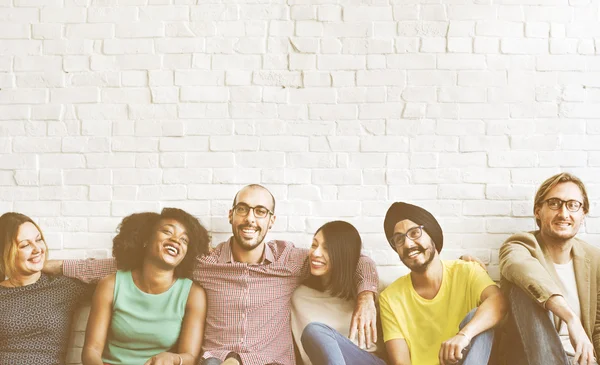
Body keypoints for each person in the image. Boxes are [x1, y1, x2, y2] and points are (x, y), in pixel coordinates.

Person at [45, 184, 379, 365]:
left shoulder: (291, 260)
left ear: (271, 221)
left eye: (261, 211)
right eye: (244, 209)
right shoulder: (204, 261)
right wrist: (50, 265)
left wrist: (367, 295)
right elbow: (121, 266)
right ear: (231, 216)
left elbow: (355, 260)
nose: (251, 218)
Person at [380, 202, 507, 365]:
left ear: (431, 234)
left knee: (476, 316)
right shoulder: (390, 298)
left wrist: (464, 335)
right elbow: (401, 362)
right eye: (399, 239)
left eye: (414, 233)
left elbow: (499, 301)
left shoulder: (466, 271)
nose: (408, 244)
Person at [82, 208, 208, 365]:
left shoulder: (192, 294)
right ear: (146, 240)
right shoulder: (111, 285)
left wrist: (175, 359)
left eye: (184, 240)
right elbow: (91, 350)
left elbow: (189, 356)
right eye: (168, 231)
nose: (176, 240)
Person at [499, 172, 600, 365]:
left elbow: (598, 328)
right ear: (538, 211)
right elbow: (519, 267)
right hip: (532, 358)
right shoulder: (520, 245)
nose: (563, 213)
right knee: (522, 290)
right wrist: (571, 319)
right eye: (554, 203)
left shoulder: (595, 259)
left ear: (583, 214)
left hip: (581, 360)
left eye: (573, 205)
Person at [0, 212, 94, 364]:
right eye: (25, 245)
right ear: (5, 252)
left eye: (39, 240)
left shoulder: (64, 287)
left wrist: (59, 266)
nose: (37, 249)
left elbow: (120, 270)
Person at [291, 220, 386, 365]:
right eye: (314, 245)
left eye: (327, 248)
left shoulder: (370, 291)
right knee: (314, 332)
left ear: (344, 254)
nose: (315, 253)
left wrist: (367, 296)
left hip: (368, 361)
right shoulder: (298, 297)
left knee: (316, 331)